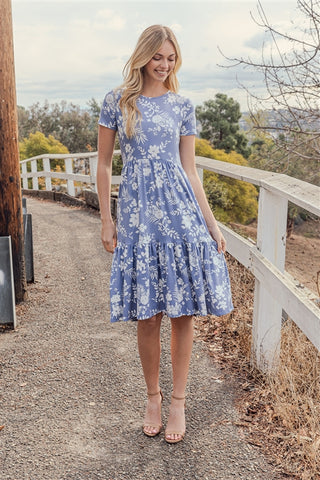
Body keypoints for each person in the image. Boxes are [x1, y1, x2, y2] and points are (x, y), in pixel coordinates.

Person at [97, 24, 233, 444]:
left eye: (171, 58)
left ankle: (178, 401)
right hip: (139, 221)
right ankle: (152, 397)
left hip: (180, 218)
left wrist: (211, 224)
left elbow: (190, 170)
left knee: (181, 313)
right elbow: (103, 165)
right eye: (158, 57)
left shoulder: (183, 105)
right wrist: (107, 218)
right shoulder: (118, 102)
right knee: (147, 314)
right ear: (143, 56)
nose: (164, 65)